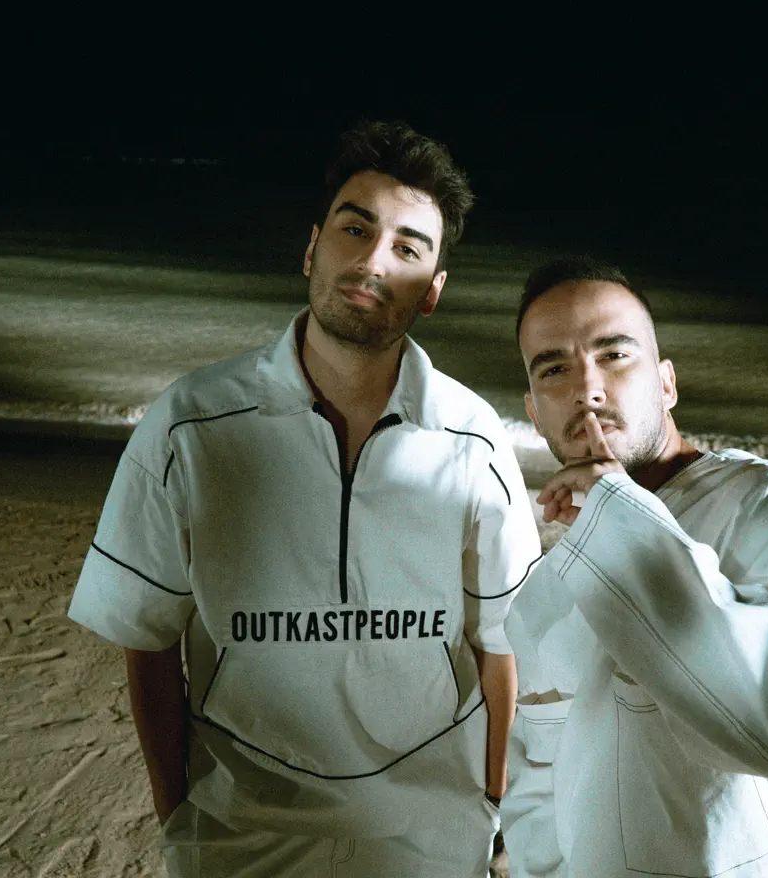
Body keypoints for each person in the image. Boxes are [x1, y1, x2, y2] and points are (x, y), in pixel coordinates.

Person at [67, 120, 542, 877]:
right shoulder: (193, 425)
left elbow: (501, 645)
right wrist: (178, 817)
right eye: (356, 229)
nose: (374, 260)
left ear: (432, 292)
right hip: (239, 834)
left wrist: (493, 809)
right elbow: (148, 637)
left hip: (428, 835)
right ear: (312, 248)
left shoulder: (473, 440)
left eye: (408, 248)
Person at [500, 258, 768, 878]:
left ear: (667, 384)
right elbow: (541, 783)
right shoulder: (550, 585)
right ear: (534, 411)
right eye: (554, 369)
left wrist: (619, 519)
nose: (587, 389)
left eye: (614, 355)